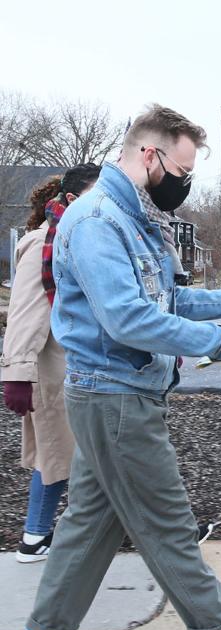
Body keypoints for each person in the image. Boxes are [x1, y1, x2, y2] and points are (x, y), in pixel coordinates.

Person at [15, 104, 221, 630]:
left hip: (115, 395)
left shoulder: (127, 217)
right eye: (182, 169)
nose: (185, 183)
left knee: (88, 524)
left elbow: (161, 302)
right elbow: (126, 319)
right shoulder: (100, 221)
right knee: (167, 521)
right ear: (150, 156)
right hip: (115, 397)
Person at [1, 164, 102, 563]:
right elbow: (26, 312)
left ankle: (36, 536)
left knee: (65, 456)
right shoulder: (45, 241)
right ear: (73, 200)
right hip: (55, 370)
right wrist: (17, 374)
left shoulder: (84, 239)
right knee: (61, 455)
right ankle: (38, 537)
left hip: (81, 366)